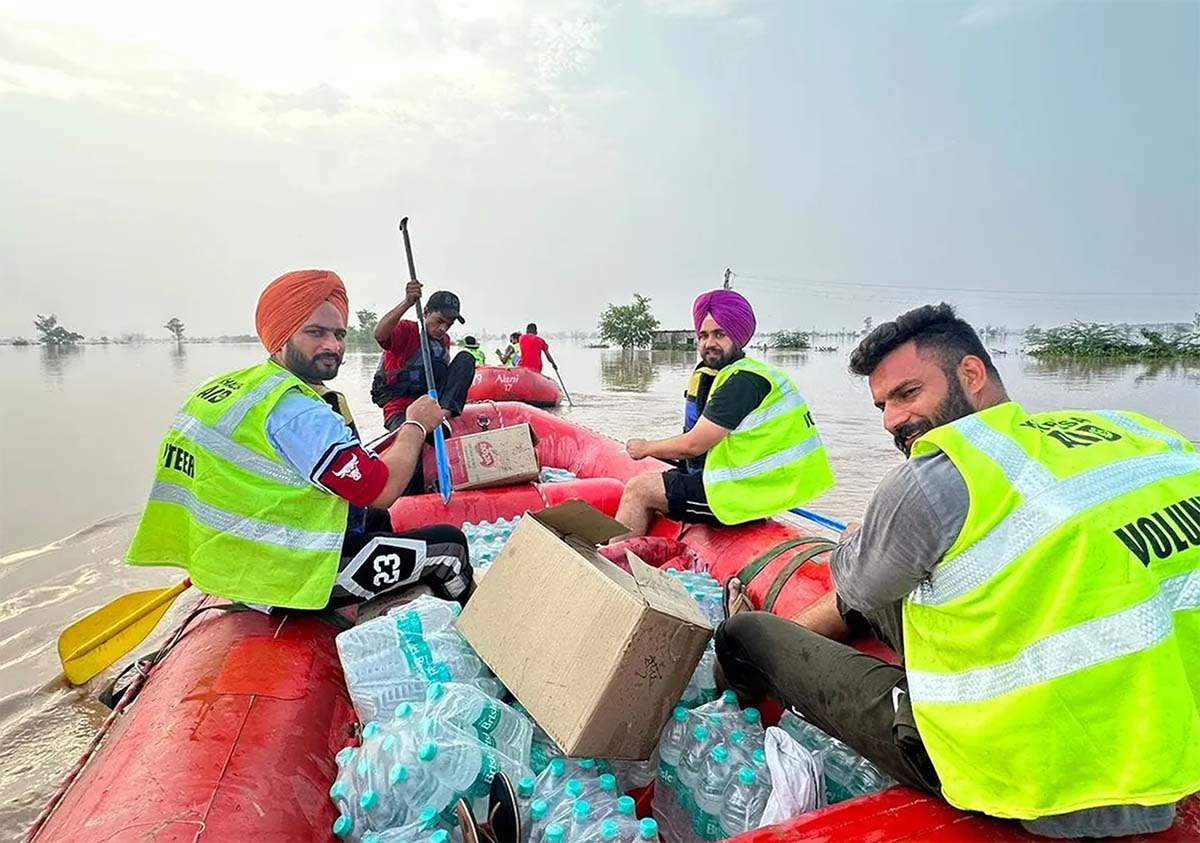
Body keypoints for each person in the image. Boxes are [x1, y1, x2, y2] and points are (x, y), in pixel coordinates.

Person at [715, 303, 1200, 838]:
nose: (891, 421)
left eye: (906, 394)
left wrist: (858, 537)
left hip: (1027, 777)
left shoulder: (939, 476)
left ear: (970, 374)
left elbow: (852, 579)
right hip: (1169, 751)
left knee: (744, 634)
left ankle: (726, 711)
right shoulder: (1141, 435)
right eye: (881, 405)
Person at [126, 270, 474, 611]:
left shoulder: (227, 388)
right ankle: (479, 641)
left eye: (338, 334)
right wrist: (415, 425)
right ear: (282, 334)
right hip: (289, 575)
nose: (333, 345)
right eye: (315, 332)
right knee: (451, 547)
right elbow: (381, 492)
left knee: (376, 521)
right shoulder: (298, 410)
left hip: (231, 561)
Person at [614, 289, 834, 536]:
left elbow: (693, 445)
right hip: (763, 487)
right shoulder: (747, 373)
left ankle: (607, 566)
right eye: (703, 335)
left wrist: (645, 448)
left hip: (742, 494)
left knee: (639, 488)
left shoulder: (742, 382)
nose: (709, 343)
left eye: (720, 334)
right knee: (661, 482)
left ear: (738, 336)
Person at [371, 282, 477, 431]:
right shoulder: (408, 330)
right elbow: (379, 334)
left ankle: (443, 415)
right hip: (402, 409)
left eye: (449, 324)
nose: (443, 328)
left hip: (431, 407)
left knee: (466, 358)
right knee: (416, 440)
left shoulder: (444, 341)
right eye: (439, 321)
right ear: (426, 312)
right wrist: (407, 302)